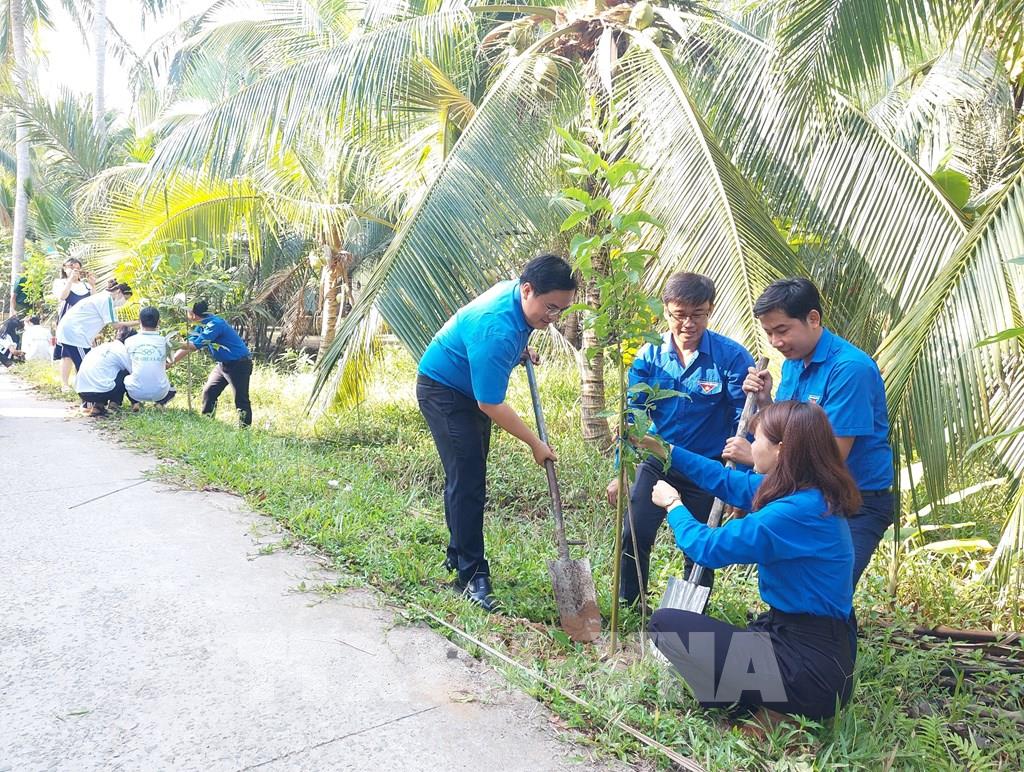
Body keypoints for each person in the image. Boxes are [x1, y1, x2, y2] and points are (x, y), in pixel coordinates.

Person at [646, 401, 858, 724]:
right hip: (818, 651)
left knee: (665, 625)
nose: (750, 446)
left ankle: (774, 711)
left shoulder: (791, 513)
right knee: (730, 638)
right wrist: (666, 449)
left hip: (809, 669)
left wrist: (673, 504)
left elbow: (707, 548)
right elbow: (725, 480)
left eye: (756, 439)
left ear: (781, 450)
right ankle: (759, 704)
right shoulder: (809, 494)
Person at [416, 254, 576, 611]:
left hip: (467, 385)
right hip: (444, 392)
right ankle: (471, 576)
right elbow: (491, 403)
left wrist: (522, 347)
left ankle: (458, 554)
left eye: (560, 311)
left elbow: (505, 341)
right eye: (549, 308)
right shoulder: (496, 329)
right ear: (528, 289)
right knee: (468, 481)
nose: (552, 320)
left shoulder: (515, 303)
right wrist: (536, 443)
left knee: (466, 476)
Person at [725, 278, 894, 589]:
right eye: (768, 333)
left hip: (855, 502)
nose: (775, 341)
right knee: (801, 591)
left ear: (813, 319)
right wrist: (765, 401)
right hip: (810, 496)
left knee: (830, 591)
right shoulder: (792, 364)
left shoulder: (849, 369)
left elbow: (830, 456)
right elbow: (789, 431)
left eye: (782, 330)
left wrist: (754, 456)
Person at [607, 272, 754, 608]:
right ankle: (632, 604)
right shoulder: (648, 356)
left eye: (697, 314)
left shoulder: (731, 358)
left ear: (710, 310)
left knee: (700, 547)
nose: (688, 323)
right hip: (656, 459)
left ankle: (688, 617)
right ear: (666, 311)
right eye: (680, 315)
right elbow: (632, 416)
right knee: (634, 533)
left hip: (707, 468)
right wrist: (621, 470)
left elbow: (743, 421)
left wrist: (739, 485)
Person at [168, 300, 252, 426]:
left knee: (241, 399)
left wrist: (171, 343)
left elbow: (195, 346)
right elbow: (188, 345)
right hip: (223, 364)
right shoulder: (201, 324)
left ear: (193, 314)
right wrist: (171, 362)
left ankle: (244, 429)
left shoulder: (214, 324)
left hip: (239, 364)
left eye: (187, 312)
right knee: (209, 391)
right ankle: (207, 422)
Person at [54, 282, 136, 378]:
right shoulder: (107, 299)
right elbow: (115, 325)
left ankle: (80, 386)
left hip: (73, 331)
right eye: (125, 298)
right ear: (118, 291)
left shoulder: (102, 297)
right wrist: (138, 322)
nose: (124, 301)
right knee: (86, 366)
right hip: (75, 334)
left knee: (84, 364)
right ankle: (84, 388)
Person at [51, 258, 95, 388]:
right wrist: (70, 280)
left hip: (84, 323)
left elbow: (93, 302)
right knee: (67, 354)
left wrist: (93, 285)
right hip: (67, 323)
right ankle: (64, 384)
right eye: (72, 267)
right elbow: (62, 296)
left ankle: (80, 382)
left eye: (78, 268)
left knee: (84, 352)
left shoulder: (85, 285)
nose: (75, 270)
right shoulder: (60, 282)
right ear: (65, 268)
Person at [124, 306, 175, 411]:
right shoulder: (166, 342)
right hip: (160, 392)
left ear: (140, 321)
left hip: (135, 391)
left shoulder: (129, 341)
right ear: (158, 322)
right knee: (172, 388)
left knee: (125, 375)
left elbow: (127, 364)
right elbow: (170, 363)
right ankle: (160, 403)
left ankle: (135, 403)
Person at [75, 328, 135, 416]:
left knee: (105, 375)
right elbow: (133, 373)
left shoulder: (103, 347)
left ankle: (98, 406)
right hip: (101, 392)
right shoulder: (122, 350)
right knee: (125, 374)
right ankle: (113, 405)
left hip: (82, 392)